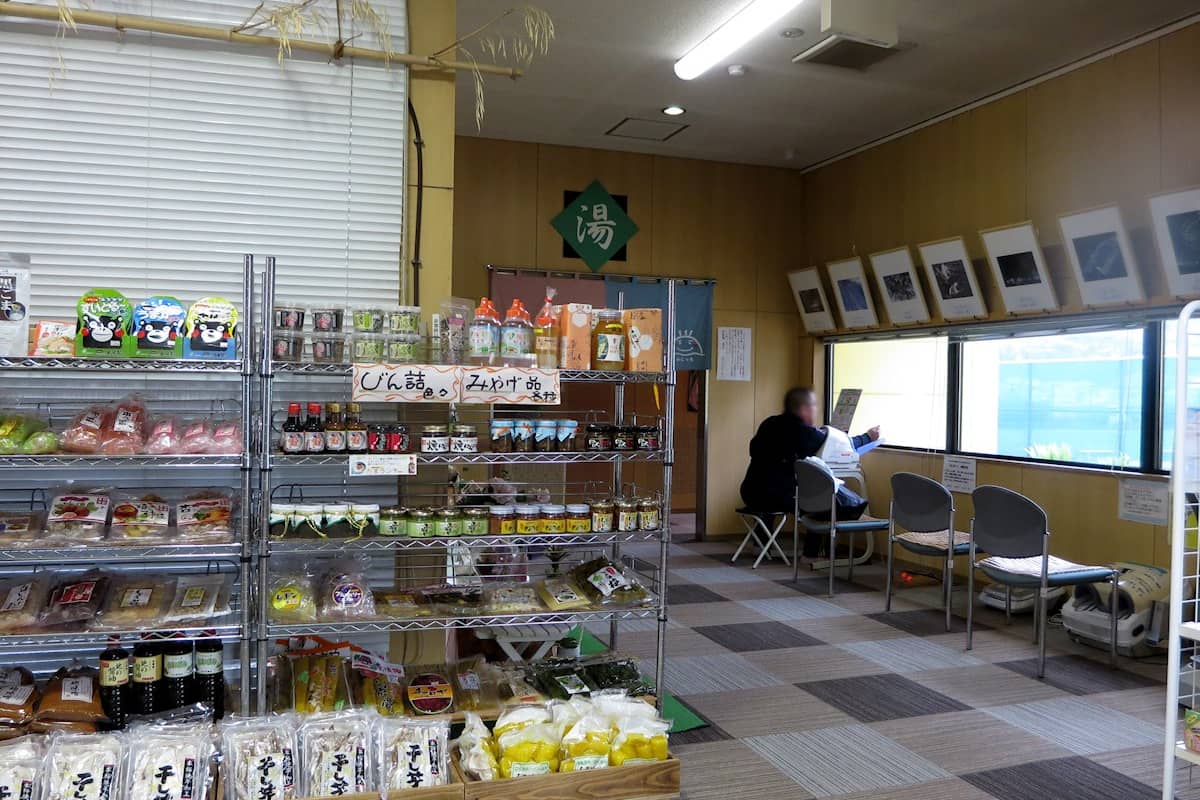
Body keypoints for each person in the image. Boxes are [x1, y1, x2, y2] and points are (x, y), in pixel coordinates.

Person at [739, 387, 880, 559]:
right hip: (774, 496)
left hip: (750, 491)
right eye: (814, 405)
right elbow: (843, 443)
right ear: (804, 408)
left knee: (768, 482)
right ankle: (812, 553)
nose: (816, 409)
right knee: (820, 501)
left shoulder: (769, 423)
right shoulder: (802, 431)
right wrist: (868, 437)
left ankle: (760, 545)